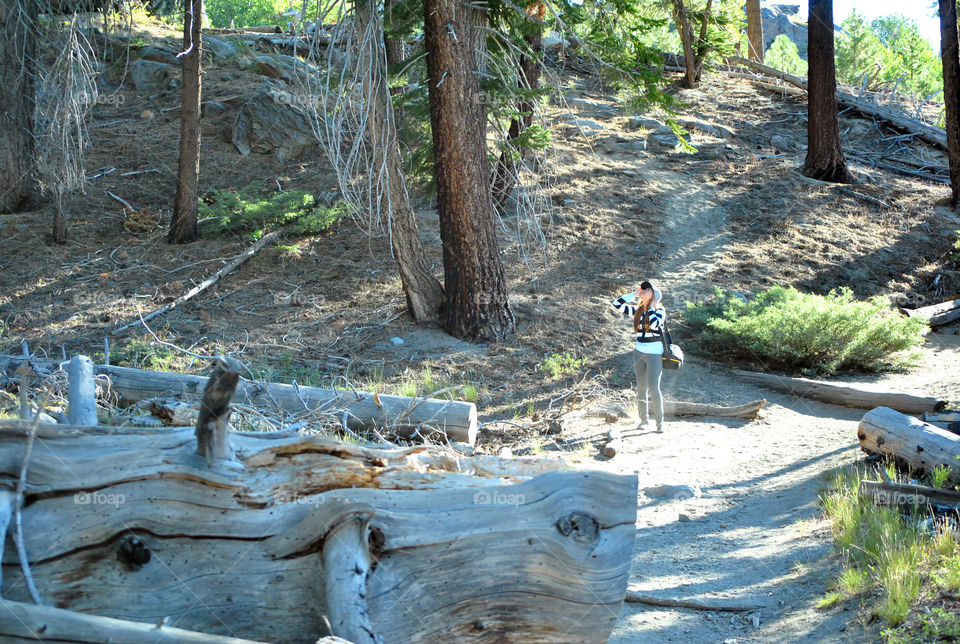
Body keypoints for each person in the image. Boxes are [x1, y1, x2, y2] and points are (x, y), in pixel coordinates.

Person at [612, 280, 665, 432]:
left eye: (647, 290)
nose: (643, 291)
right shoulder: (638, 310)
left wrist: (653, 306)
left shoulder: (660, 311)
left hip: (654, 353)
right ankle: (644, 420)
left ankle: (660, 423)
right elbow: (617, 304)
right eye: (643, 289)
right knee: (641, 387)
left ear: (654, 295)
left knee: (654, 387)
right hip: (638, 352)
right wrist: (634, 295)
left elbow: (654, 324)